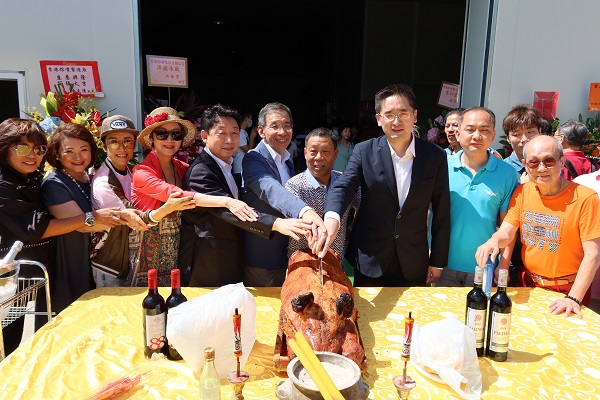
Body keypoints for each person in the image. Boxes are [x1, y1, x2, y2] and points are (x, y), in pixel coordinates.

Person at [317, 83, 451, 287]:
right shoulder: (364, 151)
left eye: (403, 114)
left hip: (413, 261)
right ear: (379, 119)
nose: (396, 121)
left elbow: (442, 210)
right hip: (370, 259)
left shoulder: (435, 156)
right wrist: (332, 218)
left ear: (415, 116)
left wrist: (438, 261)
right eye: (389, 115)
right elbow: (344, 187)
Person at [179, 105, 311, 287]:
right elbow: (230, 211)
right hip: (208, 263)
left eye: (234, 133)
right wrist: (277, 223)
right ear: (204, 136)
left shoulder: (228, 165)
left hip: (235, 259)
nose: (229, 140)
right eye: (221, 133)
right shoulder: (201, 172)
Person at [476, 135, 600, 319]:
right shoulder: (522, 192)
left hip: (568, 290)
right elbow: (506, 232)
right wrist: (493, 242)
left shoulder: (585, 198)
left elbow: (593, 254)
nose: (541, 168)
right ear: (525, 165)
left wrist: (573, 298)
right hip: (527, 284)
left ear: (562, 161)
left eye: (549, 161)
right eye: (534, 162)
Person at [132, 107, 257, 286]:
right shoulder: (142, 172)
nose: (169, 140)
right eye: (162, 134)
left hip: (176, 248)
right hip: (148, 249)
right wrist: (227, 201)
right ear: (151, 138)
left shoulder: (182, 167)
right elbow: (179, 196)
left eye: (176, 135)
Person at [90, 115, 196, 287]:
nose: (122, 148)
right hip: (112, 264)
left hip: (129, 259)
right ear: (103, 145)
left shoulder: (132, 169)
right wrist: (168, 208)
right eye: (114, 142)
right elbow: (136, 220)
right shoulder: (104, 183)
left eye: (127, 141)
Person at [41, 123, 136, 313]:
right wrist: (111, 217)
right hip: (73, 260)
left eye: (84, 150)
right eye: (69, 151)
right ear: (57, 153)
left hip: (99, 258)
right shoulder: (54, 184)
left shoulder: (92, 177)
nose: (78, 157)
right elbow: (83, 226)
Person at [241, 102, 326, 286]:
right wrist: (305, 211)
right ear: (261, 131)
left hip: (285, 254)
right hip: (261, 256)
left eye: (287, 125)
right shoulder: (253, 159)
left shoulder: (287, 161)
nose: (282, 132)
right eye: (275, 126)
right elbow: (271, 189)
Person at [437, 107, 519, 287]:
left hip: (485, 267)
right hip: (442, 266)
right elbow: (427, 216)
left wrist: (503, 265)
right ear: (458, 133)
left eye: (484, 130)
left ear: (493, 135)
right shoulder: (440, 166)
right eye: (470, 129)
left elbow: (509, 225)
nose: (477, 136)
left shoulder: (507, 174)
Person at [286, 128, 360, 261]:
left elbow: (364, 205)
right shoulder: (294, 186)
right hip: (302, 264)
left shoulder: (345, 183)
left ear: (335, 154)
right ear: (305, 153)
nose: (318, 157)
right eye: (313, 151)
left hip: (336, 263)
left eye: (325, 152)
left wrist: (351, 229)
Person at [502, 104, 541, 181]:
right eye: (516, 134)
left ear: (540, 132)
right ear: (508, 138)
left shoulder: (552, 167)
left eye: (530, 132)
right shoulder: (501, 170)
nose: (524, 139)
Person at [232, 111, 252, 187]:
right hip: (239, 168)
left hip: (244, 168)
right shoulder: (240, 133)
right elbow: (248, 151)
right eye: (250, 119)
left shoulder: (244, 133)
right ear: (246, 119)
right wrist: (252, 137)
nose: (251, 121)